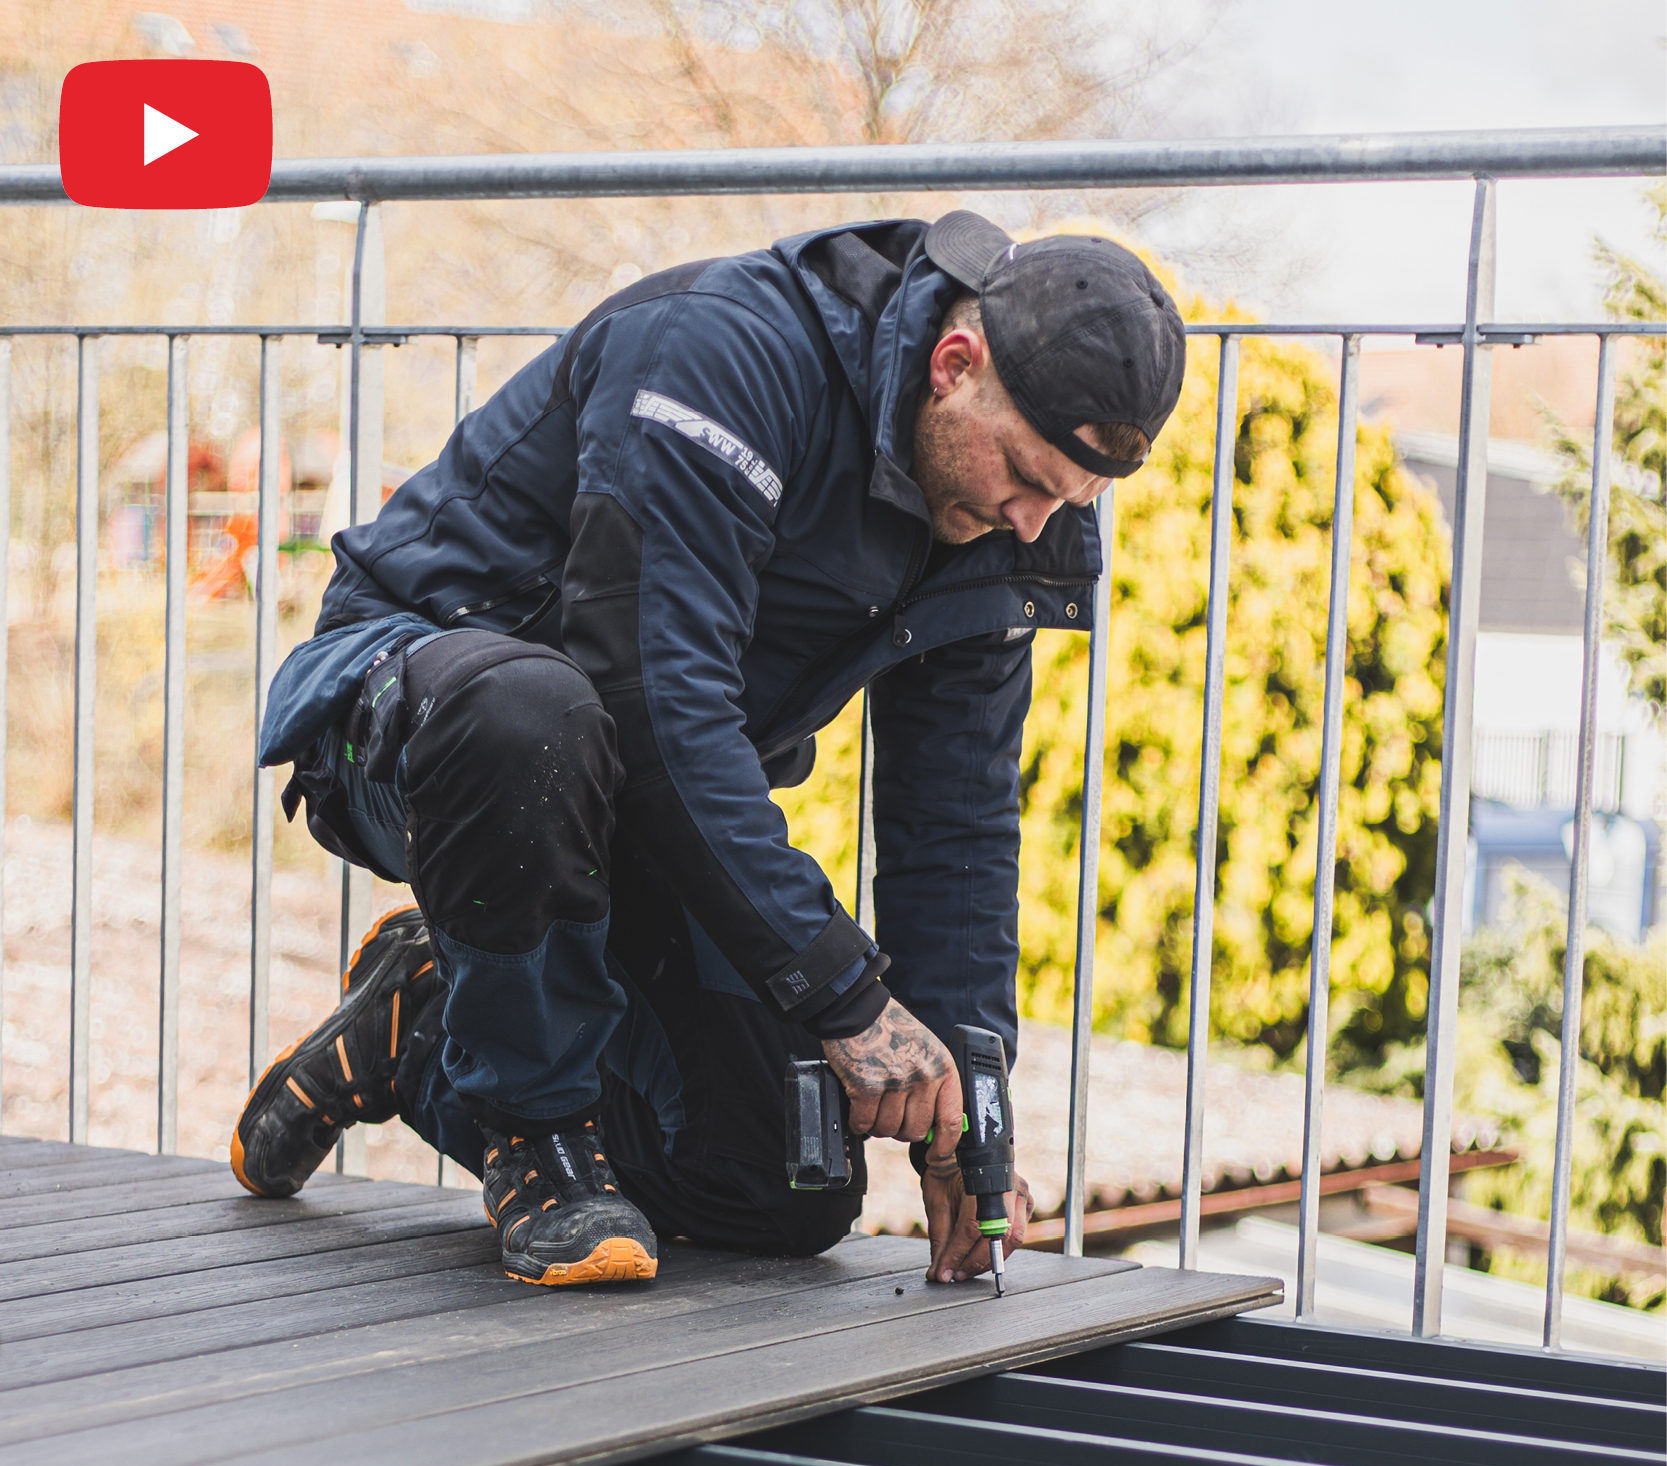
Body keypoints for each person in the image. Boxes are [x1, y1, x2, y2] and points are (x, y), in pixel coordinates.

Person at [234, 210, 1185, 1289]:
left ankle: (416, 1027)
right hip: (424, 713)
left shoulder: (1004, 509)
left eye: (1070, 499)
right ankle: (534, 1133)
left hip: (624, 793)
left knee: (783, 1178)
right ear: (952, 365)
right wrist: (845, 993)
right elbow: (650, 697)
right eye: (1023, 475)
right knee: (533, 710)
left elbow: (955, 816)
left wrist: (971, 1114)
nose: (1032, 523)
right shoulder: (723, 351)